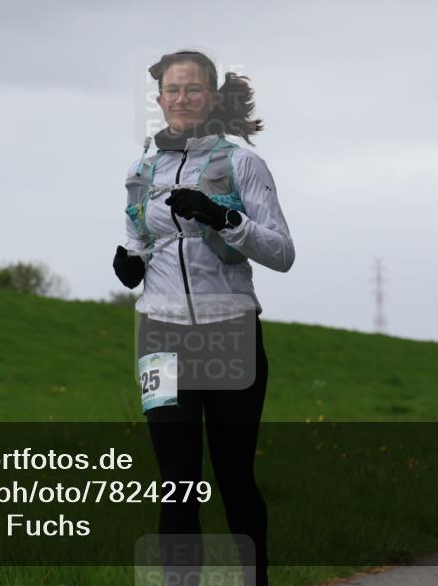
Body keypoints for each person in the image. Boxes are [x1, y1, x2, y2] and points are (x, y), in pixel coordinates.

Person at [113, 50, 295, 586]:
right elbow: (137, 236)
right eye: (172, 90)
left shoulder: (241, 165)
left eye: (193, 89)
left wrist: (223, 217)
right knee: (176, 482)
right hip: (161, 336)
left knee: (234, 478)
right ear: (160, 98)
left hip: (229, 333)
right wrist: (129, 263)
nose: (182, 99)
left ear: (212, 97)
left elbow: (282, 252)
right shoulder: (141, 168)